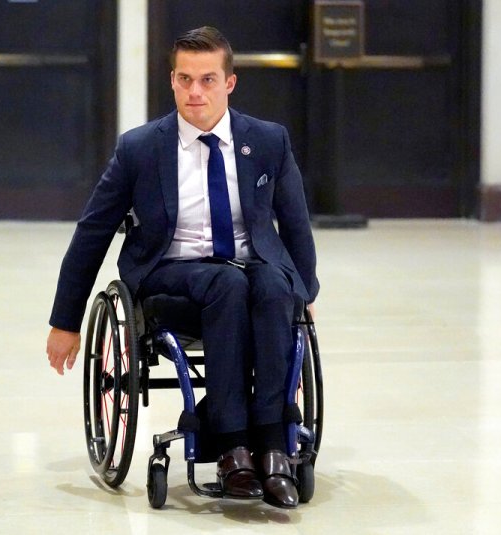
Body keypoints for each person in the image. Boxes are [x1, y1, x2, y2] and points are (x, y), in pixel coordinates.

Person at [46, 26, 318, 509]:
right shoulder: (140, 149)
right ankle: (233, 447)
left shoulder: (269, 141)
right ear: (172, 81)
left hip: (250, 269)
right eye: (185, 79)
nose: (196, 92)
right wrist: (65, 321)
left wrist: (307, 293)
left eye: (208, 80)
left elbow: (295, 226)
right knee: (227, 284)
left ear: (229, 83)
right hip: (171, 276)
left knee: (273, 288)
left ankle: (274, 445)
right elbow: (92, 233)